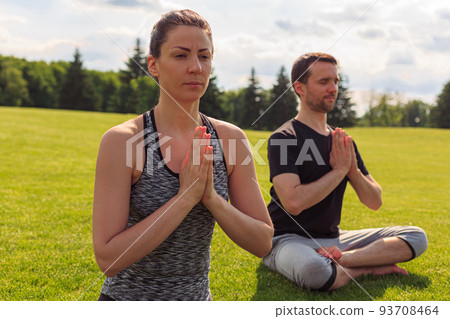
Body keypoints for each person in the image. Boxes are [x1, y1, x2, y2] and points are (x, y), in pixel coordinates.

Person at [92, 9, 273, 301]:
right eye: (180, 55)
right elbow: (108, 259)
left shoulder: (231, 140)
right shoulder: (124, 141)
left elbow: (263, 241)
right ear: (154, 65)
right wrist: (185, 196)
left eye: (204, 56)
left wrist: (212, 199)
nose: (196, 67)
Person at [262, 52, 428, 291]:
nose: (333, 88)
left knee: (416, 237)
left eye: (335, 81)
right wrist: (339, 171)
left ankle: (344, 260)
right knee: (315, 271)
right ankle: (368, 266)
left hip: (335, 240)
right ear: (300, 87)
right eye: (323, 82)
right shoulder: (284, 138)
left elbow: (374, 200)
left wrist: (352, 171)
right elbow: (293, 203)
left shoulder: (342, 142)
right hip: (287, 239)